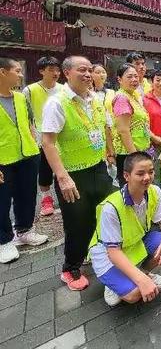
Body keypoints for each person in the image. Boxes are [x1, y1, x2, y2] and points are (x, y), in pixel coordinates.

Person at [42, 56, 114, 290]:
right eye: (81, 70)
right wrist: (62, 177)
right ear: (66, 73)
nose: (87, 74)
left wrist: (109, 156)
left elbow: (103, 128)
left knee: (104, 215)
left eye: (90, 70)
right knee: (77, 223)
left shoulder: (94, 99)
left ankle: (94, 252)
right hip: (73, 175)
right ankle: (70, 268)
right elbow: (48, 143)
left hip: (98, 167)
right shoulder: (57, 102)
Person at [89, 151, 161, 306]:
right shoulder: (111, 207)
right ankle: (115, 284)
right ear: (126, 176)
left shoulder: (154, 191)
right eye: (140, 173)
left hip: (133, 243)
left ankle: (144, 273)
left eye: (150, 172)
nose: (147, 177)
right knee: (134, 295)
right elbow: (113, 252)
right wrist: (142, 282)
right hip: (108, 254)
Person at [0, 58, 47, 264]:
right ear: (3, 72)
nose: (21, 75)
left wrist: (35, 146)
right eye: (17, 71)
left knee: (27, 195)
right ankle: (4, 241)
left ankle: (24, 230)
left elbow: (30, 124)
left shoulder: (20, 97)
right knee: (2, 202)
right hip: (3, 160)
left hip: (28, 155)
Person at [23, 56, 63, 217]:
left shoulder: (62, 89)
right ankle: (46, 199)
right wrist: (31, 135)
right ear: (41, 71)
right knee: (45, 169)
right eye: (51, 70)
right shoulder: (30, 90)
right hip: (41, 136)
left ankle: (64, 193)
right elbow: (26, 115)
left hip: (62, 135)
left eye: (57, 69)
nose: (55, 73)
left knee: (63, 166)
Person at [112, 64, 161, 187]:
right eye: (129, 77)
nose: (134, 79)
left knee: (142, 188)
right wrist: (135, 158)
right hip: (129, 154)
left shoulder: (134, 96)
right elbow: (123, 130)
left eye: (136, 76)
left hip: (140, 150)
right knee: (133, 190)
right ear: (119, 79)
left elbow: (141, 124)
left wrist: (154, 137)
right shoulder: (122, 98)